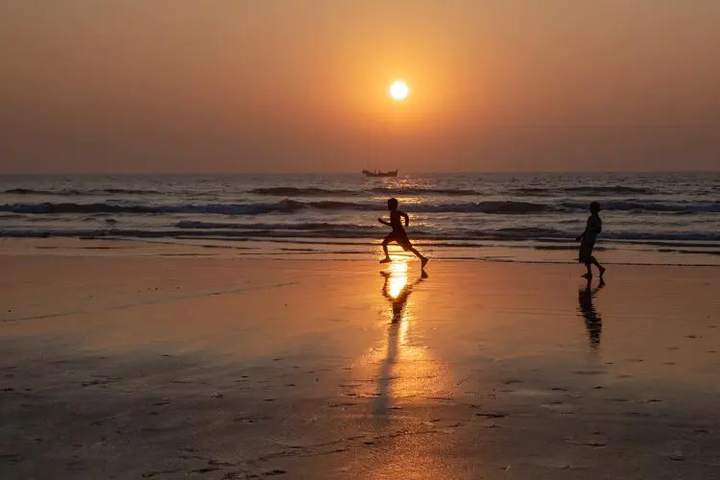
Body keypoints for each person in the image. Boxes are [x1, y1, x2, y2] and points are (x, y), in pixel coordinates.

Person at [378, 198, 428, 268]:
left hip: (398, 234)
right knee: (386, 243)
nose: (388, 206)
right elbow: (405, 215)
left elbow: (393, 224)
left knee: (408, 248)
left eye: (389, 204)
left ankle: (423, 258)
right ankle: (423, 258)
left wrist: (383, 222)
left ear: (392, 206)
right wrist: (406, 224)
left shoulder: (393, 213)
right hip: (397, 233)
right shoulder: (395, 212)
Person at [576, 201, 606, 279]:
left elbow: (598, 230)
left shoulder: (597, 219)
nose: (590, 209)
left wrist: (591, 229)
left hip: (590, 239)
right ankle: (590, 272)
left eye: (592, 208)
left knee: (587, 256)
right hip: (586, 238)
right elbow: (587, 229)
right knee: (583, 256)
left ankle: (599, 268)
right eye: (590, 207)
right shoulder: (591, 217)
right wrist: (581, 236)